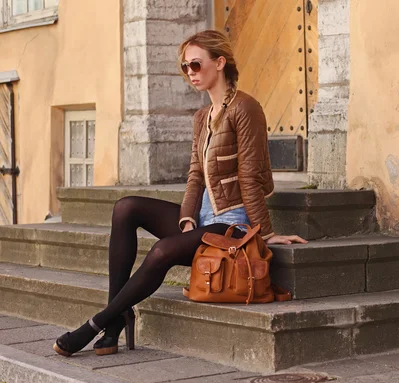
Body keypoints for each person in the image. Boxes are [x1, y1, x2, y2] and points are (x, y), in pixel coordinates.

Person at [53, 30, 307, 357]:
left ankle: (98, 323)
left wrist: (266, 233)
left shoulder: (246, 108)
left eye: (196, 65)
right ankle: (116, 321)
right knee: (126, 207)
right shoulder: (202, 117)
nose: (191, 73)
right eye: (185, 67)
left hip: (232, 226)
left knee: (161, 251)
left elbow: (249, 176)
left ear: (220, 62)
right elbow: (195, 176)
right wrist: (187, 218)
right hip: (202, 223)